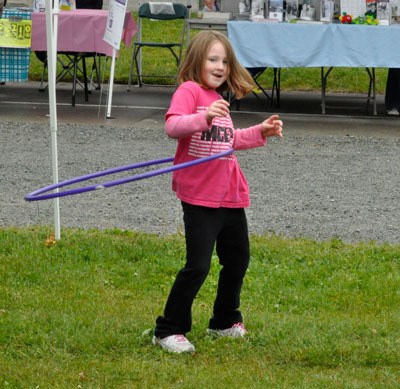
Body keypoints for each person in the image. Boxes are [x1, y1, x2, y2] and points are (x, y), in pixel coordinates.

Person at [152, 30, 283, 354]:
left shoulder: (217, 100)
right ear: (197, 61)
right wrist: (202, 117)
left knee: (238, 259)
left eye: (225, 60)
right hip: (200, 197)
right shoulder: (190, 91)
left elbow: (228, 141)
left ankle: (224, 321)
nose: (220, 66)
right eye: (213, 59)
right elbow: (173, 126)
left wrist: (260, 131)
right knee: (198, 265)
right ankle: (168, 329)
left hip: (229, 195)